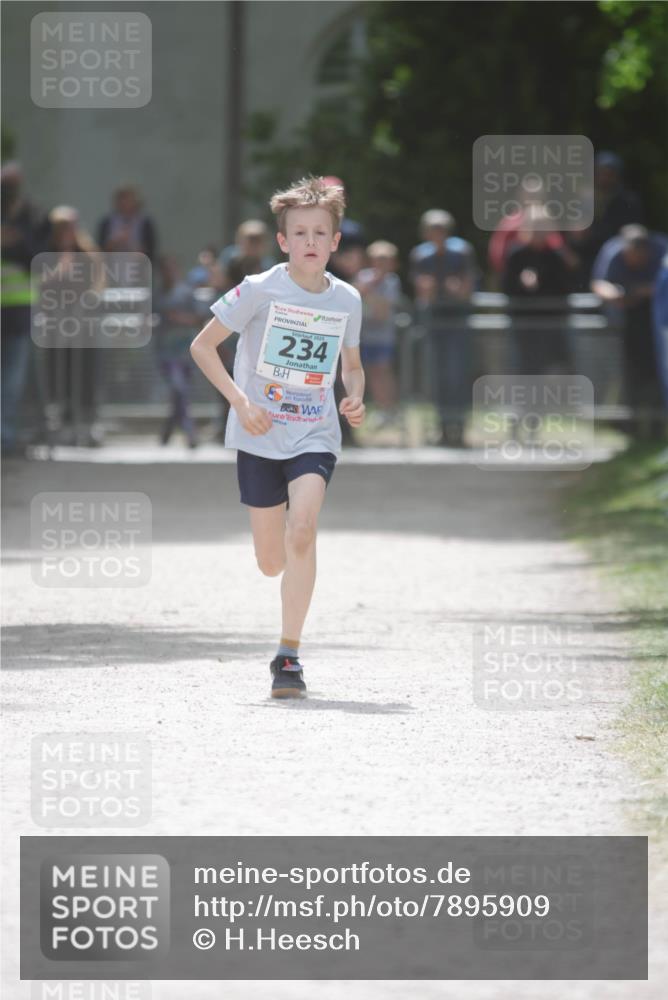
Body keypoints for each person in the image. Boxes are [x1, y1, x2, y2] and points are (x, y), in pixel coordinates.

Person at [190, 176, 364, 699]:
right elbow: (202, 347)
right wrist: (241, 402)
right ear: (283, 240)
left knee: (303, 531)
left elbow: (351, 365)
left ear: (335, 241)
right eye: (300, 233)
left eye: (320, 233)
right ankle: (288, 569)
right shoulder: (259, 288)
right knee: (271, 561)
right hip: (259, 434)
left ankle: (288, 655)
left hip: (314, 432)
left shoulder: (347, 299)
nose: (311, 241)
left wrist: (355, 395)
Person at [410, 209, 478, 447]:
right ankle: (442, 427)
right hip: (434, 322)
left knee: (457, 374)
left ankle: (459, 427)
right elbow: (421, 292)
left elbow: (467, 288)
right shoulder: (421, 255)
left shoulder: (462, 251)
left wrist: (457, 290)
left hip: (458, 322)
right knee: (437, 376)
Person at [592, 225, 668, 438]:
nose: (634, 261)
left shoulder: (662, 251)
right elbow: (598, 283)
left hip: (657, 324)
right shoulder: (613, 252)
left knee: (656, 375)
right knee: (630, 375)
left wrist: (645, 291)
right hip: (627, 322)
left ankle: (657, 427)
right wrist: (615, 294)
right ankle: (631, 428)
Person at [1, 162, 46, 456]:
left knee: (13, 381)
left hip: (18, 313)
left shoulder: (30, 217)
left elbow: (35, 257)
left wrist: (11, 242)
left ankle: (5, 438)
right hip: (12, 312)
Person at [155, 255, 200, 448]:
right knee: (178, 389)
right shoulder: (158, 295)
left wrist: (179, 318)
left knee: (180, 393)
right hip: (166, 352)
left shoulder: (186, 293)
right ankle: (190, 432)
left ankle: (168, 430)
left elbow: (198, 318)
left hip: (185, 351)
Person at [355, 241, 402, 427]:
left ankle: (391, 410)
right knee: (371, 374)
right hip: (364, 335)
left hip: (383, 337)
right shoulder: (363, 276)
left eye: (385, 260)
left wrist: (368, 292)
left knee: (383, 371)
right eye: (377, 259)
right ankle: (382, 409)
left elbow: (383, 310)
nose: (380, 264)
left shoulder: (392, 281)